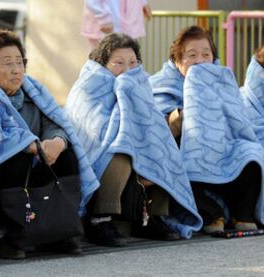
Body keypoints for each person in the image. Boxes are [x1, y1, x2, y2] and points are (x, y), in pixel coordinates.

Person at [0, 29, 99, 259]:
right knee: (17, 160)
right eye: (7, 63)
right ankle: (9, 235)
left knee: (66, 156)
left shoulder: (32, 90)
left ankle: (61, 232)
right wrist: (31, 145)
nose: (16, 70)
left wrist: (57, 142)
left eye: (20, 62)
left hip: (32, 168)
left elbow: (54, 121)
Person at [64, 33, 202, 247]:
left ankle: (153, 217)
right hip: (103, 148)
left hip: (134, 144)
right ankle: (100, 219)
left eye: (133, 63)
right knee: (121, 150)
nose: (127, 70)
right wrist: (128, 135)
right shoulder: (88, 86)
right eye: (118, 63)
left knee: (161, 145)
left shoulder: (141, 84)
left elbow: (148, 122)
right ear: (102, 65)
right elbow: (93, 126)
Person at [150, 26, 264, 234]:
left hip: (223, 151)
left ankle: (243, 213)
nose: (200, 60)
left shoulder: (223, 82)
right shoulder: (161, 85)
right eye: (191, 55)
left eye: (206, 54)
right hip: (186, 157)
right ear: (177, 61)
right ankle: (212, 213)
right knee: (184, 159)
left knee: (251, 152)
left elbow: (238, 121)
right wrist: (183, 116)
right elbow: (153, 128)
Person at [82, 0, 152, 49]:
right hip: (106, 26)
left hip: (124, 25)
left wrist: (142, 3)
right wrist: (103, 17)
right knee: (101, 63)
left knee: (125, 63)